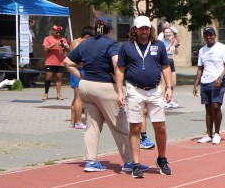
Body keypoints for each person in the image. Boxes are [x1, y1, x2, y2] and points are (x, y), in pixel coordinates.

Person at [64, 17, 140, 173]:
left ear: (94, 29)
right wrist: (120, 87)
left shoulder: (85, 43)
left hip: (86, 86)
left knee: (92, 126)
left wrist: (81, 77)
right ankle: (129, 162)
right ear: (110, 30)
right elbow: (116, 62)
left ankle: (90, 161)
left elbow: (67, 62)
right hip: (105, 87)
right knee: (119, 126)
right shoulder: (111, 44)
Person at [115, 16, 174, 178]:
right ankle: (136, 163)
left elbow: (165, 66)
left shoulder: (158, 45)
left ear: (150, 29)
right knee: (135, 127)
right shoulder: (126, 47)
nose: (144, 31)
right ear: (134, 29)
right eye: (141, 28)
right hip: (134, 90)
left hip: (154, 90)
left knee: (160, 126)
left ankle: (162, 159)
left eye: (146, 28)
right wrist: (120, 91)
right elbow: (120, 69)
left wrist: (169, 87)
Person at [193, 26, 225, 144]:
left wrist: (220, 77)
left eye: (210, 34)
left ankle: (217, 134)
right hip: (205, 82)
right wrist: (196, 84)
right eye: (206, 35)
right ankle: (209, 134)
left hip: (217, 82)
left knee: (216, 106)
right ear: (204, 37)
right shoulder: (202, 50)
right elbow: (200, 68)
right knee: (208, 108)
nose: (208, 37)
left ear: (215, 36)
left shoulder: (222, 48)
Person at [67, 27, 93, 129]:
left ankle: (73, 121)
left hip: (75, 71)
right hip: (78, 71)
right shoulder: (78, 43)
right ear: (86, 36)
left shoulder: (74, 42)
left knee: (76, 97)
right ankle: (78, 122)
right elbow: (77, 60)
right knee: (79, 97)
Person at [42, 25, 70, 101]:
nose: (58, 34)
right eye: (56, 32)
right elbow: (45, 49)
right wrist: (55, 44)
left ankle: (59, 94)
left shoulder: (63, 39)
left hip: (60, 62)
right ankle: (46, 94)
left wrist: (64, 46)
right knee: (48, 77)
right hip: (50, 62)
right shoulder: (47, 38)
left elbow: (68, 49)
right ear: (53, 31)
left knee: (59, 77)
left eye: (59, 32)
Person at [160, 25, 180, 109]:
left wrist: (175, 46)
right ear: (164, 33)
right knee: (164, 83)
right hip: (164, 62)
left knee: (173, 83)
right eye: (166, 32)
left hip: (171, 61)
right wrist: (170, 44)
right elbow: (163, 52)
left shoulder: (172, 40)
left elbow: (176, 53)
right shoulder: (161, 42)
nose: (168, 34)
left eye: (169, 32)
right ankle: (163, 100)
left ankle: (169, 99)